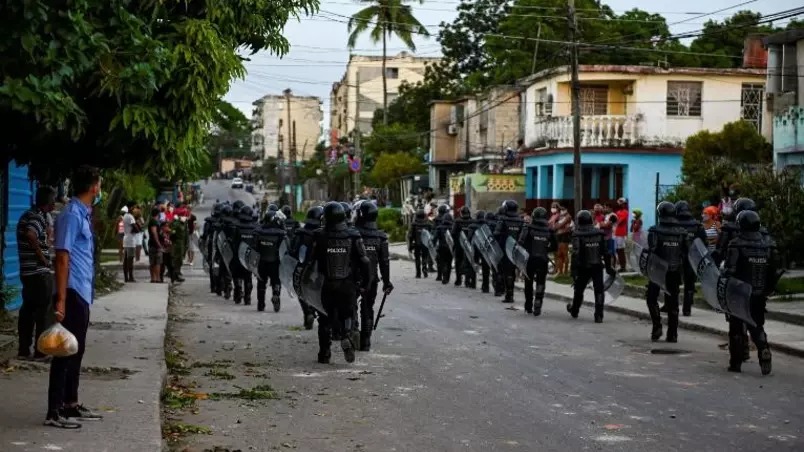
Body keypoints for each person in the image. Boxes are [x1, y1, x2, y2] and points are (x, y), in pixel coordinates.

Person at [47, 165, 104, 428]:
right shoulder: (71, 215)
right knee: (64, 351)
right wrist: (60, 298)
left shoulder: (82, 214)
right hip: (70, 290)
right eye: (99, 184)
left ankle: (70, 404)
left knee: (75, 349)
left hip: (81, 290)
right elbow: (61, 257)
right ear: (93, 186)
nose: (100, 189)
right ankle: (54, 411)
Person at [307, 202, 370, 364]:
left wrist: (307, 283)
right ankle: (346, 335)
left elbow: (310, 261)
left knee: (324, 319)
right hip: (347, 284)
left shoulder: (318, 235)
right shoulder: (354, 235)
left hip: (325, 284)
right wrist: (366, 282)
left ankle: (325, 353)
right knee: (348, 313)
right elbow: (364, 261)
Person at [724, 210, 780, 375]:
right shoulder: (767, 245)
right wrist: (767, 290)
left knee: (736, 327)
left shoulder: (736, 243)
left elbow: (730, 270)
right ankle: (763, 349)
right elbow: (772, 271)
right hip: (759, 293)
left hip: (739, 292)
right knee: (756, 325)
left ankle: (736, 363)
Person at [16, 185, 57, 361]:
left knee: (27, 311)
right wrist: (43, 258)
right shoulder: (37, 217)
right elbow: (31, 235)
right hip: (39, 272)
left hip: (27, 272)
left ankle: (24, 350)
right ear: (49, 202)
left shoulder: (26, 215)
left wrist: (47, 238)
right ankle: (41, 351)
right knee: (44, 313)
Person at [645, 202, 688, 343]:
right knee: (673, 303)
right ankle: (673, 334)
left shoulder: (655, 231)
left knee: (651, 298)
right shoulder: (682, 233)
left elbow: (652, 250)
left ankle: (657, 326)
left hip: (658, 270)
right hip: (675, 271)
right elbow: (686, 253)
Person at [354, 201, 393, 351]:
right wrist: (387, 282)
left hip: (354, 279)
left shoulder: (353, 234)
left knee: (351, 307)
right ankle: (366, 342)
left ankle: (353, 330)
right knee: (368, 308)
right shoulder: (381, 237)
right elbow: (385, 262)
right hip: (372, 279)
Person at [567, 210, 614, 323]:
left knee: (579, 290)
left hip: (583, 267)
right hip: (597, 265)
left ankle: (575, 310)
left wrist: (573, 271)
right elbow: (606, 252)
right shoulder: (599, 233)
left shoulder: (576, 234)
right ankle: (599, 315)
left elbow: (576, 253)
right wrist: (608, 267)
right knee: (599, 290)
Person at [290, 206, 324, 329]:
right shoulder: (324, 234)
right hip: (319, 271)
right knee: (319, 294)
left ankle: (307, 312)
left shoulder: (300, 233)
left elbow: (293, 251)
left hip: (302, 268)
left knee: (301, 293)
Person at [518, 207, 557, 316]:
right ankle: (538, 303)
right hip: (543, 259)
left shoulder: (528, 228)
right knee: (541, 281)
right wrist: (545, 249)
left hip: (529, 259)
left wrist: (527, 248)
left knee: (528, 282)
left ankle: (528, 305)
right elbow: (555, 246)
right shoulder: (549, 230)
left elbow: (520, 242)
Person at [675, 201, 707, 317]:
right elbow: (704, 243)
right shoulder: (697, 225)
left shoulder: (674, 224)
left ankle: (672, 307)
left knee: (673, 283)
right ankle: (687, 309)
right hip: (692, 258)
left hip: (676, 258)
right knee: (690, 283)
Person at [254, 210, 286, 312]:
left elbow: (254, 247)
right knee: (276, 281)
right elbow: (285, 248)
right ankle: (276, 294)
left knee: (261, 283)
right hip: (275, 262)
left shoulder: (259, 232)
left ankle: (261, 304)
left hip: (262, 262)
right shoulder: (280, 234)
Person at [493, 200, 524, 303]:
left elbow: (496, 233)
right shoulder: (520, 221)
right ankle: (510, 294)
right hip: (515, 249)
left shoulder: (502, 219)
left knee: (501, 271)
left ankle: (502, 291)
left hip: (503, 249)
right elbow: (522, 236)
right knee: (511, 272)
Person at [233, 205, 257, 305]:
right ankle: (247, 298)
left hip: (237, 256)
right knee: (248, 277)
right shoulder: (255, 228)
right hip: (249, 257)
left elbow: (233, 242)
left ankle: (238, 289)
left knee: (237, 275)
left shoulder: (236, 227)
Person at [467, 210, 489, 293]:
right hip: (485, 248)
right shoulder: (487, 225)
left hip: (475, 248)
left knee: (474, 265)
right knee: (486, 267)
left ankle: (473, 283)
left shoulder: (472, 225)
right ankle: (485, 286)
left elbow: (469, 237)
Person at [203, 203, 223, 293]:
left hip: (213, 245)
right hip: (220, 245)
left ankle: (213, 286)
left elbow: (205, 235)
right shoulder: (224, 221)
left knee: (212, 264)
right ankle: (220, 285)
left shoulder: (209, 222)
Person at [451, 206, 473, 288]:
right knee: (468, 262)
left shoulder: (457, 221)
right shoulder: (472, 221)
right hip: (469, 246)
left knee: (458, 262)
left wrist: (456, 241)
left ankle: (458, 280)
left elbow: (453, 233)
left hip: (459, 245)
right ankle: (467, 281)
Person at [407, 209, 431, 279]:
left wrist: (410, 245)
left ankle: (418, 273)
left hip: (417, 244)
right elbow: (431, 234)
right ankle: (424, 269)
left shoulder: (414, 224)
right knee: (425, 257)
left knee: (417, 258)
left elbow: (410, 235)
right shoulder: (428, 224)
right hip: (425, 243)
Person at [434, 212, 454, 285]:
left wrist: (433, 245)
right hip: (450, 248)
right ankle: (447, 278)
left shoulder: (439, 227)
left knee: (442, 262)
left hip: (441, 247)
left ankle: (444, 275)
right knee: (449, 263)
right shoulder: (453, 227)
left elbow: (435, 238)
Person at [147, 207, 164, 283]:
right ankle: (157, 278)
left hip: (152, 244)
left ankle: (153, 278)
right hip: (154, 245)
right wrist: (158, 244)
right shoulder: (154, 222)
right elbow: (154, 233)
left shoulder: (153, 221)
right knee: (157, 262)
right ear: (158, 214)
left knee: (152, 262)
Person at [554, 206, 573, 276]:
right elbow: (555, 226)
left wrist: (559, 227)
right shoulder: (560, 217)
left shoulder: (568, 216)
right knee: (559, 254)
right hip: (559, 236)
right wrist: (558, 227)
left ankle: (565, 272)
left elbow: (559, 226)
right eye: (561, 209)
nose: (561, 211)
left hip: (565, 236)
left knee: (564, 253)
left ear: (566, 210)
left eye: (563, 209)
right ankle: (560, 271)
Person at [122, 202, 138, 282]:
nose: (135, 210)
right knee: (130, 259)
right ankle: (130, 277)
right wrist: (138, 227)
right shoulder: (131, 217)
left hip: (125, 239)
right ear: (131, 208)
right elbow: (136, 228)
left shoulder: (125, 216)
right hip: (131, 240)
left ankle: (126, 277)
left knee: (125, 259)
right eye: (134, 208)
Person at [614, 198, 629, 272]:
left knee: (621, 250)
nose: (620, 204)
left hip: (621, 233)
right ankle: (620, 265)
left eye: (622, 203)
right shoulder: (617, 212)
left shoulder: (625, 212)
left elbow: (618, 221)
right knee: (617, 250)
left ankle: (623, 266)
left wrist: (614, 221)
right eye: (619, 203)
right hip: (616, 233)